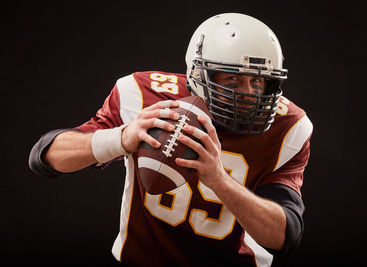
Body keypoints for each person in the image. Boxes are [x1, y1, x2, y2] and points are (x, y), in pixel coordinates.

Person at [29, 13, 313, 266]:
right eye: (233, 81)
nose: (249, 95)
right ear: (199, 75)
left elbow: (285, 236)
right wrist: (122, 137)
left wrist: (219, 180)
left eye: (258, 81)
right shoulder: (146, 96)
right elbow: (45, 157)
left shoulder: (287, 126)